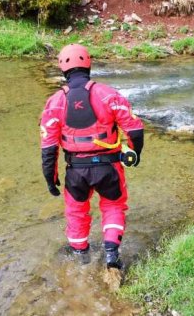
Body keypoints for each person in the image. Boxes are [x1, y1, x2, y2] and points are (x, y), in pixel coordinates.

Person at [39, 44, 144, 268]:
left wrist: (51, 178)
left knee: (76, 212)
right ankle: (111, 253)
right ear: (88, 65)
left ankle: (81, 260)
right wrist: (135, 153)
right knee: (114, 206)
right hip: (109, 168)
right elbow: (134, 129)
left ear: (63, 70)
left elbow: (48, 147)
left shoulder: (54, 103)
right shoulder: (108, 94)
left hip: (76, 171)